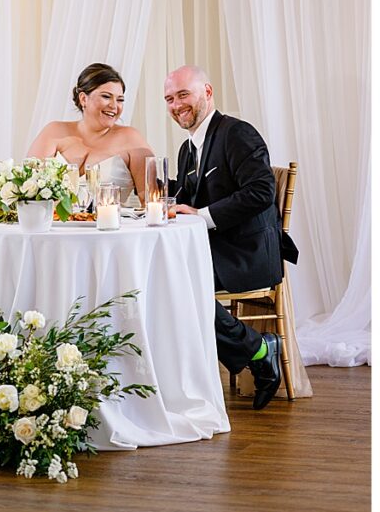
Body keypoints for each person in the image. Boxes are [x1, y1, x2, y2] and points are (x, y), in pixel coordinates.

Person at [164, 65, 298, 410]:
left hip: (247, 253)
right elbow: (185, 197)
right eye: (169, 99)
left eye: (183, 95)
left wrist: (202, 216)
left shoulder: (237, 133)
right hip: (214, 249)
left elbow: (261, 191)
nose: (176, 105)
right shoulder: (187, 148)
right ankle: (247, 351)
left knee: (177, 285)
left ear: (207, 93)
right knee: (162, 279)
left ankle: (257, 349)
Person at [26, 62, 154, 202]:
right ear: (83, 98)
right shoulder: (54, 132)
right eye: (106, 96)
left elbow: (152, 202)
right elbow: (27, 189)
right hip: (53, 223)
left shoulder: (132, 139)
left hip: (107, 223)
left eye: (120, 100)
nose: (114, 106)